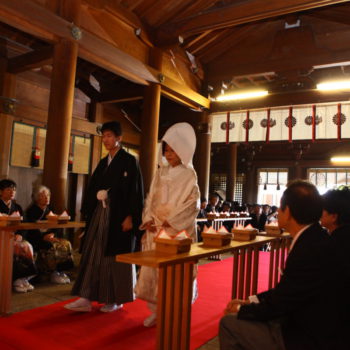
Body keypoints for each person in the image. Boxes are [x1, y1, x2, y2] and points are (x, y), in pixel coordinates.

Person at [219, 180, 339, 350]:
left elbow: (282, 303)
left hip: (307, 334)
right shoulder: (315, 237)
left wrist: (241, 309)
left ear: (288, 211)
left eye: (280, 208)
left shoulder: (309, 248)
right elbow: (288, 290)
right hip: (309, 320)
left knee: (229, 323)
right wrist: (251, 301)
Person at [64, 121, 143, 313]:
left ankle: (115, 299)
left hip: (118, 216)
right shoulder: (103, 162)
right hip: (100, 214)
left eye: (109, 136)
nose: (106, 139)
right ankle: (86, 296)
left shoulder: (129, 161)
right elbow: (93, 188)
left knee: (114, 258)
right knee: (93, 254)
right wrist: (94, 201)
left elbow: (135, 191)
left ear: (119, 138)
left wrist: (131, 216)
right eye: (104, 136)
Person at [134, 122, 200, 327]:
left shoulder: (190, 175)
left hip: (177, 230)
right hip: (156, 228)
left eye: (173, 150)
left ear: (182, 151)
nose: (169, 154)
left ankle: (174, 311)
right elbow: (151, 197)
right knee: (155, 271)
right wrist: (149, 220)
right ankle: (156, 310)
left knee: (176, 273)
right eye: (167, 150)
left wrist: (170, 222)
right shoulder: (160, 172)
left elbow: (192, 204)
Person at [26, 185, 74, 284]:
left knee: (66, 243)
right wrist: (44, 237)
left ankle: (61, 271)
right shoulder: (31, 211)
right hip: (37, 238)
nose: (47, 198)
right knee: (51, 246)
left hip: (50, 236)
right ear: (37, 198)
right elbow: (30, 229)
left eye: (48, 195)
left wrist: (52, 234)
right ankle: (53, 273)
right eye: (43, 196)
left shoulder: (50, 209)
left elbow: (57, 225)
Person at [321, 186, 350, 348]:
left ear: (333, 216)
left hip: (335, 328)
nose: (320, 213)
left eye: (323, 210)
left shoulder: (333, 245)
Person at [0, 179, 37, 293]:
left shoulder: (17, 207)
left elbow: (24, 225)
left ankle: (24, 278)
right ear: (0, 191)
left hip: (14, 237)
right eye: (8, 189)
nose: (12, 192)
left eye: (14, 190)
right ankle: (16, 280)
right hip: (2, 237)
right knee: (17, 248)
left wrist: (20, 235)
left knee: (27, 246)